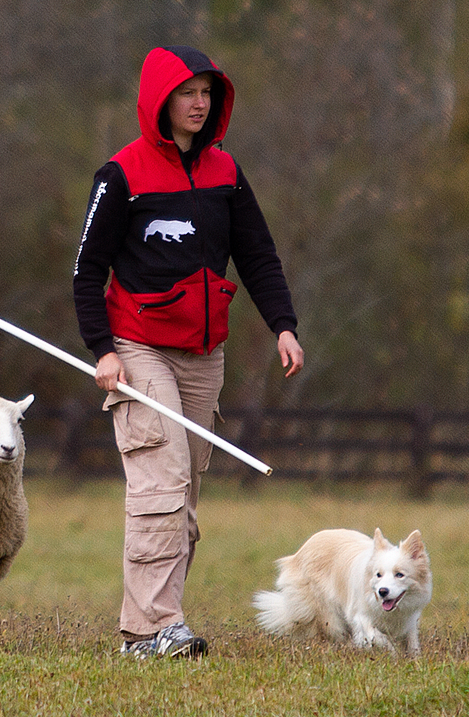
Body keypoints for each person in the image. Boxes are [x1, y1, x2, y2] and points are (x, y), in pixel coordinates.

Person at [73, 45, 303, 659]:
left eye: (206, 93)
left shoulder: (226, 171)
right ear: (160, 100)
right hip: (137, 347)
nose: (199, 104)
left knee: (184, 495)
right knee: (162, 480)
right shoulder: (122, 175)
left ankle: (154, 628)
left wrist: (283, 325)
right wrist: (103, 350)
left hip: (204, 353)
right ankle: (152, 628)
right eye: (186, 93)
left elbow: (257, 254)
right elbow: (87, 270)